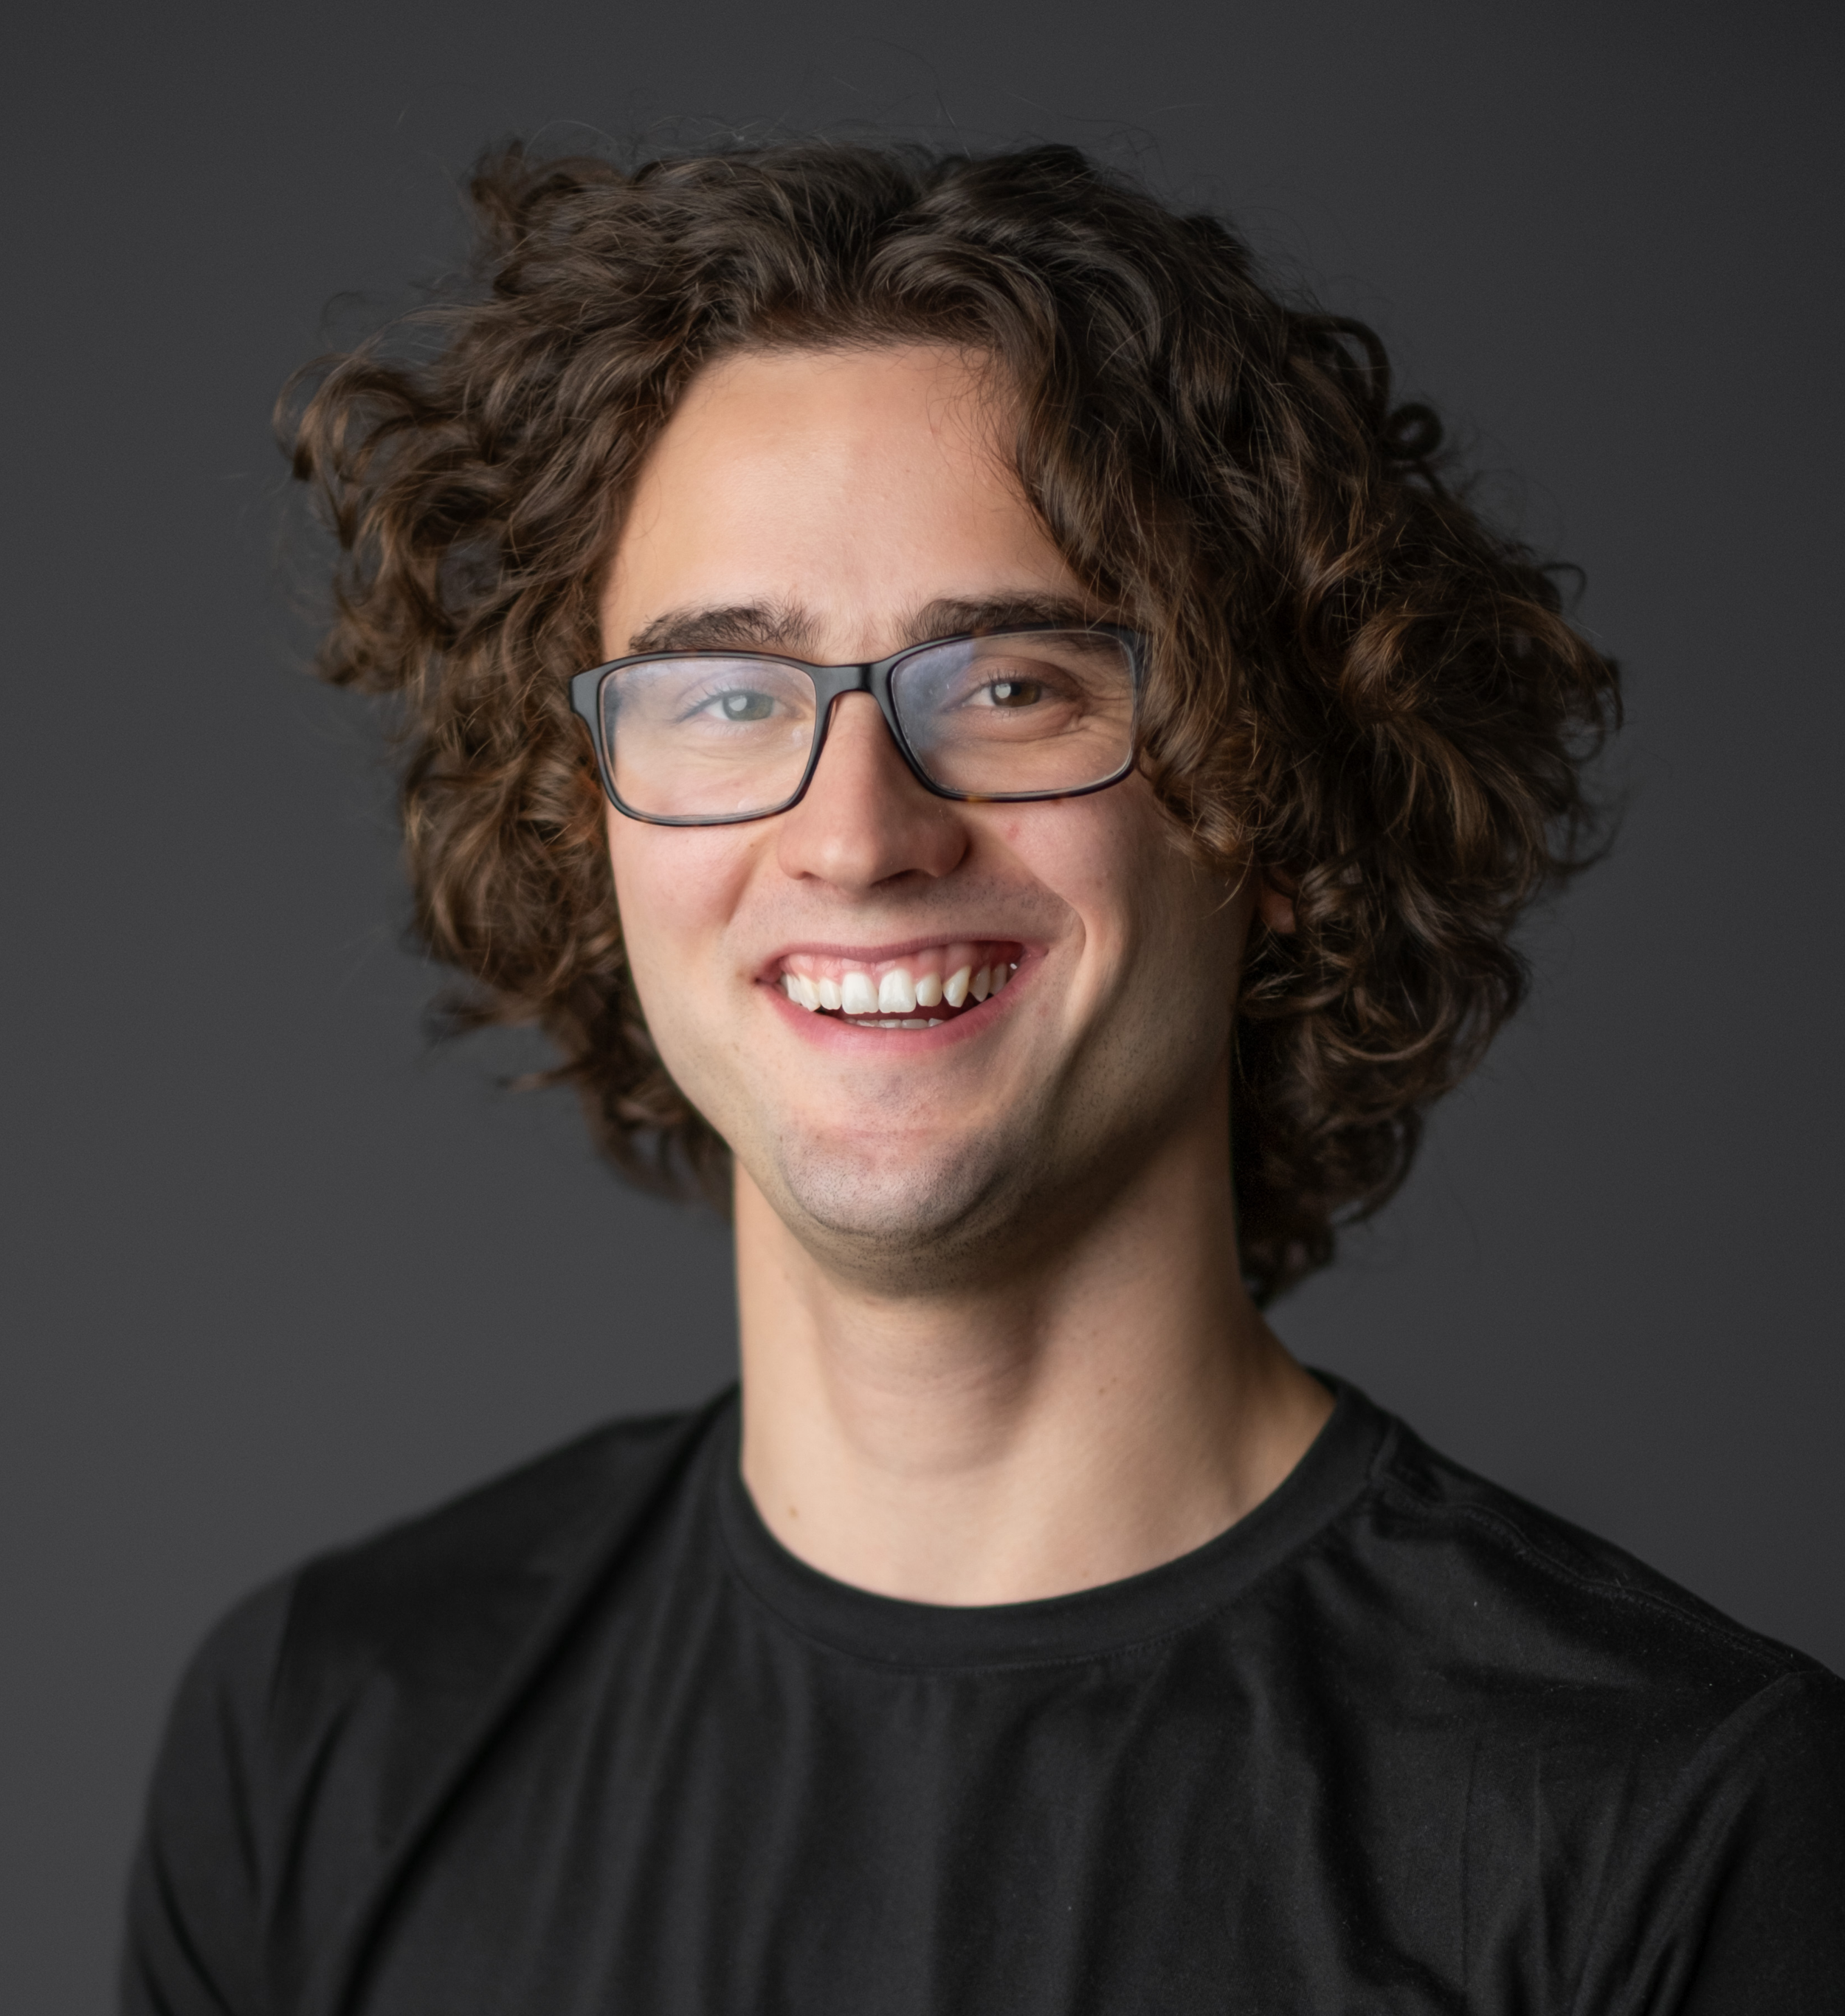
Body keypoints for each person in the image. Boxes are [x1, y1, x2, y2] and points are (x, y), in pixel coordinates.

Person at [123, 140, 1845, 2015]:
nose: (856, 836)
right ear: (584, 828)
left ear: (1271, 807)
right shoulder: (324, 1741)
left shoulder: (1674, 1826)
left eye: (1012, 685)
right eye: (727, 696)